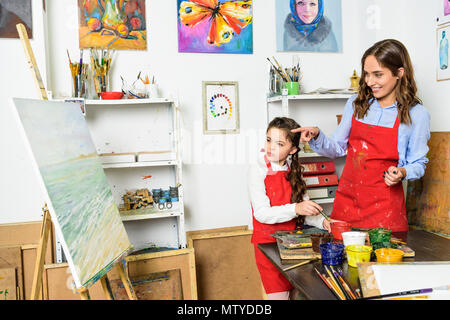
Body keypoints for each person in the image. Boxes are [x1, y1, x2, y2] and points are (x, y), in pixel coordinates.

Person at [293, 39, 431, 234]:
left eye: (378, 75)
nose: (369, 81)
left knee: (381, 263)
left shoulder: (416, 114)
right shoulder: (356, 104)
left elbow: (418, 163)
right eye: (367, 74)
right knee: (342, 263)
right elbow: (338, 148)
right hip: (347, 204)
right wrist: (317, 136)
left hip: (385, 211)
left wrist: (402, 172)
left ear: (400, 73)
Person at [248, 117, 333, 300]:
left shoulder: (293, 170)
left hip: (293, 246)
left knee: (296, 294)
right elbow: (262, 214)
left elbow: (305, 211)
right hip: (268, 246)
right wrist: (297, 208)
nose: (270, 147)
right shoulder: (257, 170)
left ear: (292, 150)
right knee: (278, 296)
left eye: (279, 144)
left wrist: (322, 221)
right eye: (268, 140)